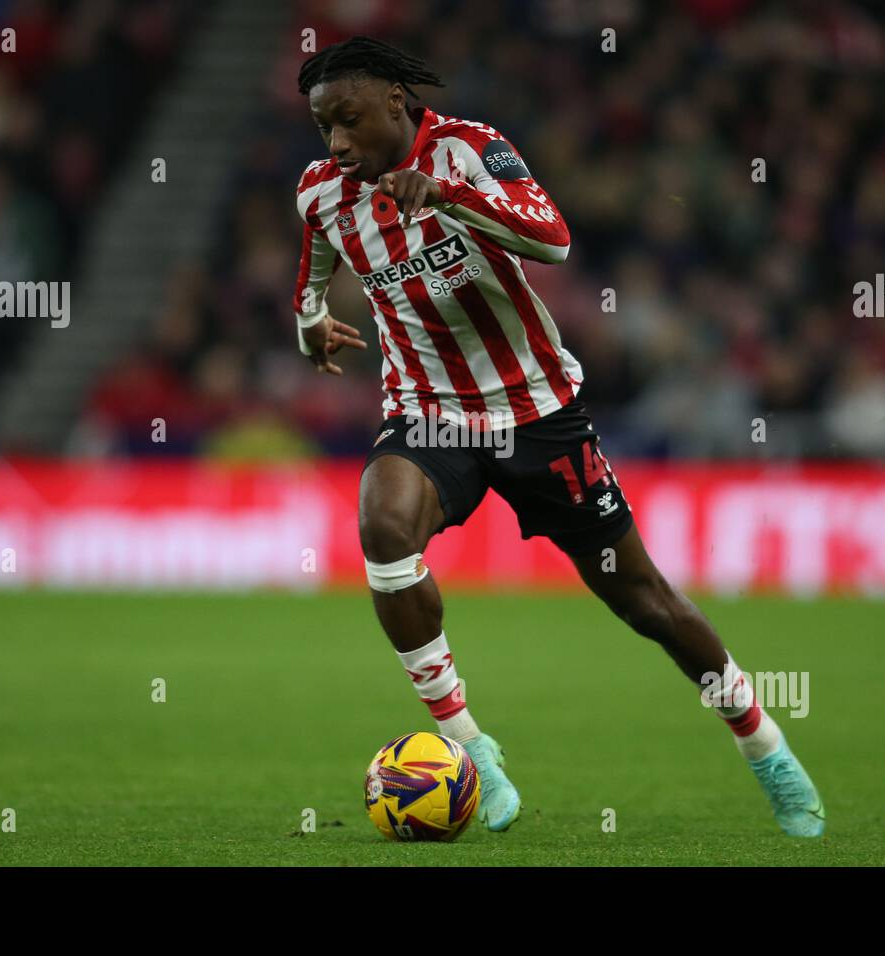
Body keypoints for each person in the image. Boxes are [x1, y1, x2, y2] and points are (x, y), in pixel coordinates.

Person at [291, 36, 824, 836]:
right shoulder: (322, 193)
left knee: (644, 602)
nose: (335, 141)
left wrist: (442, 196)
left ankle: (765, 745)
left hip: (538, 413)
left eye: (348, 118)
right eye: (323, 126)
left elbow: (553, 237)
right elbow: (312, 273)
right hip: (430, 412)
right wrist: (311, 325)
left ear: (396, 102)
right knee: (383, 529)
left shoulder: (475, 151)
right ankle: (470, 745)